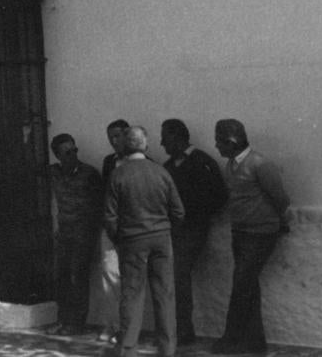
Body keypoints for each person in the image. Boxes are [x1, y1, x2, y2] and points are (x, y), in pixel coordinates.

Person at [211, 119, 291, 355]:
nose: (216, 147)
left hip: (260, 234)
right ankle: (255, 343)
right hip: (241, 232)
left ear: (232, 142)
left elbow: (281, 198)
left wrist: (277, 223)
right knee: (248, 286)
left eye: (219, 141)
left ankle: (231, 338)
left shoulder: (259, 164)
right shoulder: (231, 165)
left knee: (241, 284)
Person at [104, 126, 185, 357]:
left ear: (126, 147)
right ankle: (168, 349)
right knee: (165, 295)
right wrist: (167, 232)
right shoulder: (161, 172)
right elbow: (178, 212)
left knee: (132, 294)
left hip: (131, 241)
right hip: (161, 239)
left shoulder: (118, 174)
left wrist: (119, 239)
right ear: (145, 146)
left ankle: (128, 349)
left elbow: (110, 216)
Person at [161, 118, 228, 346]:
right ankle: (175, 329)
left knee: (179, 276)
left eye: (165, 137)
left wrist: (194, 214)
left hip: (193, 231)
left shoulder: (202, 162)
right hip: (172, 232)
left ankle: (183, 332)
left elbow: (220, 197)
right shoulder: (168, 167)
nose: (161, 143)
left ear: (177, 137)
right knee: (171, 279)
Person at [48, 133, 103, 336]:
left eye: (74, 150)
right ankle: (62, 319)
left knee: (77, 277)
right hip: (63, 233)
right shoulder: (53, 173)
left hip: (83, 234)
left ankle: (77, 322)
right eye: (67, 152)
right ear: (57, 155)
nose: (72, 155)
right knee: (60, 277)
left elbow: (99, 206)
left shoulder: (89, 174)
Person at [96, 118, 130, 344]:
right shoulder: (109, 162)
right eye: (110, 139)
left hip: (132, 228)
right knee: (109, 274)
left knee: (130, 279)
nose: (114, 142)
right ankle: (114, 324)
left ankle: (128, 327)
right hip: (110, 225)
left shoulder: (144, 162)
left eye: (117, 137)